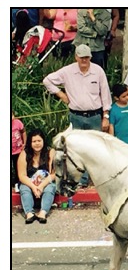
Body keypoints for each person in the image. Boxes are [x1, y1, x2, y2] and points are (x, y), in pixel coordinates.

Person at [43, 44, 112, 188]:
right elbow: (47, 80)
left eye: (86, 57)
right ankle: (82, 179)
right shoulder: (67, 71)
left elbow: (105, 94)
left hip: (94, 115)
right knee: (77, 148)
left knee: (96, 147)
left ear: (90, 57)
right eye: (81, 57)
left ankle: (97, 178)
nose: (84, 60)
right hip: (76, 115)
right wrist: (60, 94)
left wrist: (106, 116)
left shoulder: (98, 71)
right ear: (76, 57)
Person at [17, 128, 57, 224]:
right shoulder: (24, 154)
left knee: (51, 187)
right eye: (34, 141)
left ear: (43, 141)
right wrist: (34, 187)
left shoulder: (50, 152)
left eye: (39, 140)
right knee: (24, 188)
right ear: (30, 143)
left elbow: (54, 174)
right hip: (30, 183)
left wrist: (41, 185)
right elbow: (22, 176)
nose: (37, 143)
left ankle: (43, 213)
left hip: (46, 182)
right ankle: (29, 214)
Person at [12, 112, 26, 189]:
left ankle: (18, 184)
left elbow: (23, 132)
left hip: (18, 150)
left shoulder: (17, 122)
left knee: (17, 166)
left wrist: (24, 143)